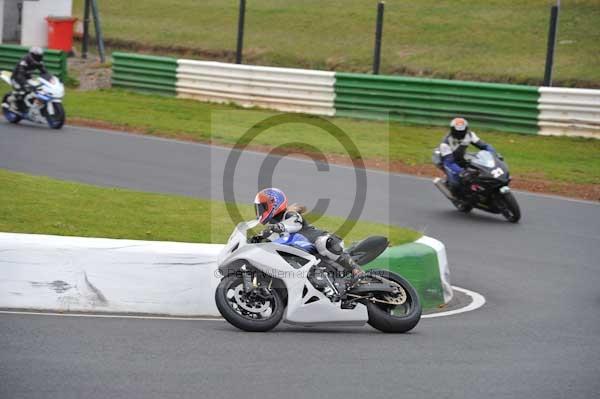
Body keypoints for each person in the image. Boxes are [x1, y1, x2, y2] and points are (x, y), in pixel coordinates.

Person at [253, 187, 364, 282]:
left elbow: (294, 223)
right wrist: (256, 239)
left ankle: (355, 269)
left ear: (274, 204)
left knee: (323, 243)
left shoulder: (289, 215)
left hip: (320, 243)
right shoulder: (272, 228)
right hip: (304, 258)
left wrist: (278, 227)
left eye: (262, 207)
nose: (259, 211)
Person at [439, 117, 496, 194]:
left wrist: (493, 154)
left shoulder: (470, 135)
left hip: (462, 158)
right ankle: (459, 199)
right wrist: (462, 172)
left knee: (479, 173)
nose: (460, 134)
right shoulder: (445, 143)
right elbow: (449, 163)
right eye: (457, 131)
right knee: (456, 185)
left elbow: (485, 146)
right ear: (452, 130)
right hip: (450, 162)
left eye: (462, 131)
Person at [8, 47, 47, 112]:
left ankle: (31, 105)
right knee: (22, 90)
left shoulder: (39, 61)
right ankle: (12, 102)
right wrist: (25, 84)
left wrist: (49, 78)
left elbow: (44, 71)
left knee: (38, 88)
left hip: (27, 78)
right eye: (37, 56)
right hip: (16, 78)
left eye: (40, 56)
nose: (39, 57)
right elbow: (20, 73)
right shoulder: (25, 60)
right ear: (32, 55)